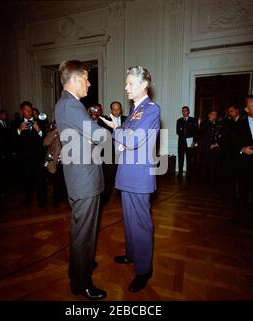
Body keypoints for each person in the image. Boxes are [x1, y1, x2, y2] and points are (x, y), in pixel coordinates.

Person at [100, 66, 160, 292]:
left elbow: (132, 141)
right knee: (129, 219)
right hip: (127, 173)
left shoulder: (151, 109)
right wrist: (119, 131)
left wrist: (118, 131)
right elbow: (123, 141)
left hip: (139, 176)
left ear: (143, 85)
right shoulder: (135, 111)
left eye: (130, 83)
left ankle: (144, 270)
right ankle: (132, 255)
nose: (126, 87)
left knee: (141, 223)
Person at [54, 60, 108, 300]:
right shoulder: (72, 107)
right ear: (75, 80)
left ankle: (79, 267)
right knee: (84, 234)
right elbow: (101, 135)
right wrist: (95, 135)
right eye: (86, 79)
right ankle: (81, 282)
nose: (89, 83)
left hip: (79, 176)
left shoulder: (66, 104)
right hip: (84, 179)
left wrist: (88, 138)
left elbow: (86, 136)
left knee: (82, 231)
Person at [233, 95, 253, 232]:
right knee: (242, 193)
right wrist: (242, 149)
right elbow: (230, 144)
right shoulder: (239, 124)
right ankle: (240, 218)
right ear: (246, 109)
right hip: (244, 167)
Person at [13, 101, 47, 207]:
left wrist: (38, 130)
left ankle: (42, 201)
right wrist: (19, 130)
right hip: (24, 157)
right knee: (27, 179)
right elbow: (11, 140)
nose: (28, 111)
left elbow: (45, 139)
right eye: (26, 109)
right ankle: (28, 198)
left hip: (38, 157)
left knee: (40, 180)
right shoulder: (15, 122)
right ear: (21, 111)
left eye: (30, 109)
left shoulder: (39, 122)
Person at [176, 106, 197, 179]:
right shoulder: (179, 120)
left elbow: (195, 132)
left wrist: (194, 142)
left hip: (189, 142)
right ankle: (180, 172)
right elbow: (178, 131)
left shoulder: (193, 120)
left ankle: (189, 174)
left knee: (189, 158)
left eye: (185, 111)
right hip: (181, 142)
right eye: (183, 111)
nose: (184, 112)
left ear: (188, 112)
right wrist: (184, 133)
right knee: (180, 158)